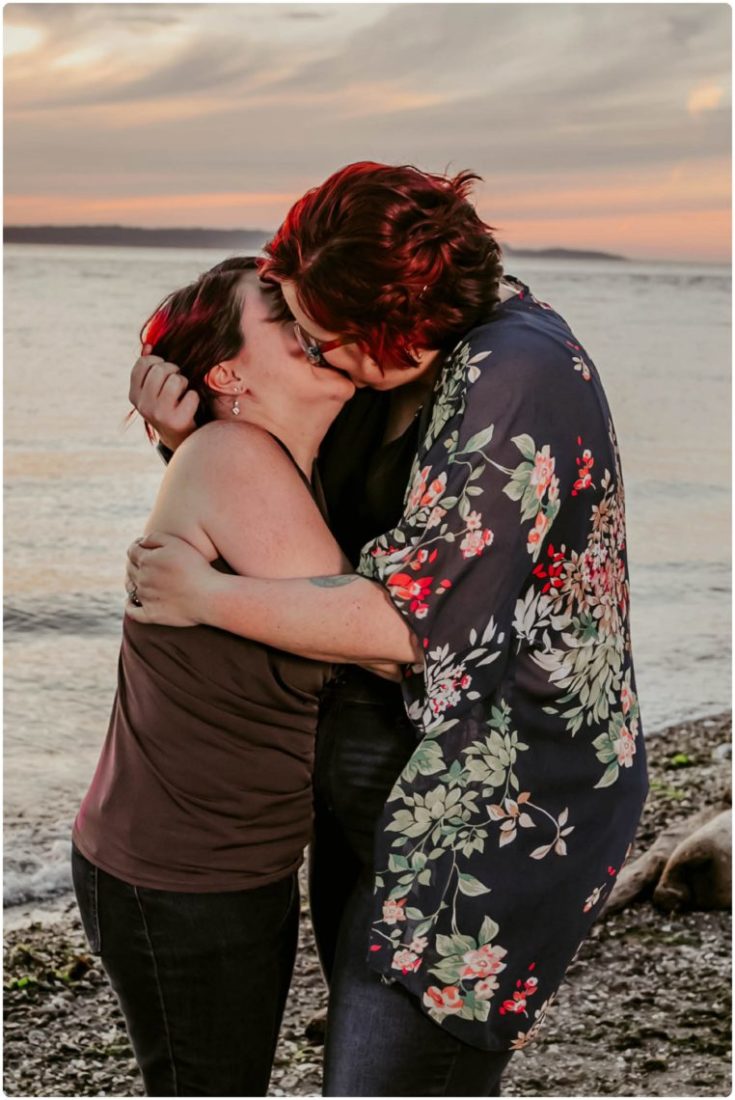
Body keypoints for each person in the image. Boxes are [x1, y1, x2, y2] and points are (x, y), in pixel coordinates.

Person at [126, 163, 649, 1097]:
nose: (307, 349)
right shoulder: (393, 355)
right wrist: (195, 439)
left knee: (392, 1074)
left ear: (393, 341)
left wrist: (199, 596)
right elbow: (307, 531)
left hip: (490, 801)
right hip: (388, 767)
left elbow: (410, 627)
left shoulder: (514, 376)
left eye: (316, 337)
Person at [72, 256, 416, 1097]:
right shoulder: (236, 458)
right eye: (281, 315)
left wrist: (178, 451)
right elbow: (389, 639)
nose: (311, 323)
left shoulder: (248, 459)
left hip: (224, 862)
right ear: (227, 371)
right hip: (179, 872)